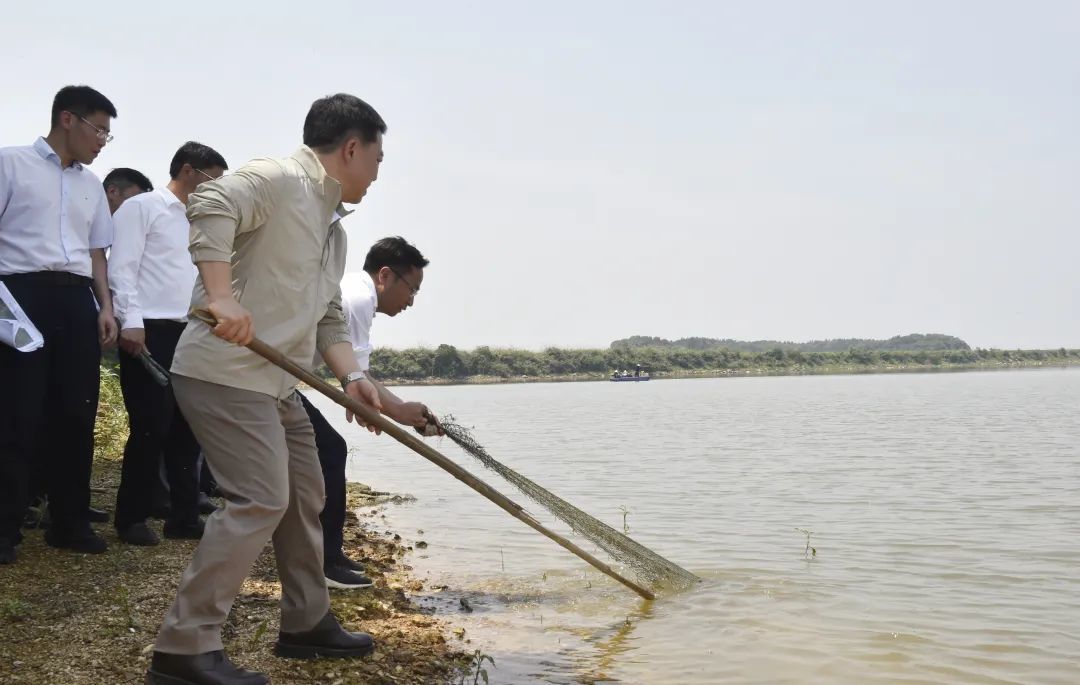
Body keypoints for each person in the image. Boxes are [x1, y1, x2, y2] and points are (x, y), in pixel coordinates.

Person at [147, 93, 387, 685]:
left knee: (305, 492)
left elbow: (328, 317)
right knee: (259, 498)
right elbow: (210, 200)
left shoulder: (333, 231)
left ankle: (306, 624)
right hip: (224, 372)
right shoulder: (278, 180)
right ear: (351, 148)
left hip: (277, 383)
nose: (379, 173)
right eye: (378, 158)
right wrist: (222, 297)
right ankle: (184, 647)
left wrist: (355, 378)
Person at [0, 85, 119, 565]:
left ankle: (67, 522)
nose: (102, 141)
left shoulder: (92, 185)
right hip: (18, 296)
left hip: (76, 301)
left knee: (76, 412)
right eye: (99, 130)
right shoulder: (10, 164)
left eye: (108, 135)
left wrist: (106, 307)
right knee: (15, 416)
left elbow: (96, 254)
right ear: (67, 119)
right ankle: (5, 527)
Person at [108, 142, 228, 547]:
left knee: (188, 427)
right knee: (150, 426)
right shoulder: (142, 207)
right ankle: (131, 518)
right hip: (150, 329)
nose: (219, 189)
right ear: (190, 171)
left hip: (192, 330)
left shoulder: (202, 219)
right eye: (214, 180)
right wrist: (132, 322)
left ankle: (183, 516)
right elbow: (122, 268)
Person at [303, 236, 439, 590]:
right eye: (412, 289)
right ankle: (324, 562)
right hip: (266, 379)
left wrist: (402, 411)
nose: (411, 301)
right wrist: (384, 409)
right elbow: (356, 379)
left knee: (325, 453)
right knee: (330, 452)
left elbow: (358, 372)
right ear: (385, 276)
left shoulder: (353, 291)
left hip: (274, 380)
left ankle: (328, 554)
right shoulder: (360, 298)